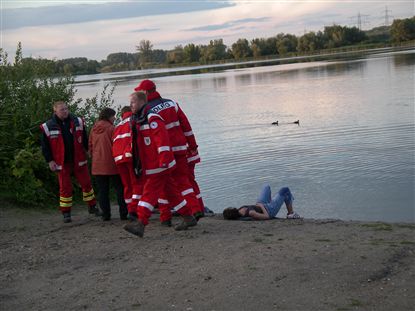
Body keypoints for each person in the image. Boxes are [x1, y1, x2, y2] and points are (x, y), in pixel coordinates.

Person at [123, 92, 197, 237]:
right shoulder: (138, 119)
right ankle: (188, 217)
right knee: (171, 193)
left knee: (149, 192)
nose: (130, 105)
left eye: (133, 102)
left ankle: (141, 223)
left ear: (142, 102)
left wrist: (164, 160)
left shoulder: (152, 118)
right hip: (150, 165)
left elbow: (162, 140)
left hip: (158, 165)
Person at [134, 79, 204, 222]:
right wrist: (193, 146)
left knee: (163, 185)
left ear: (146, 92)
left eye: (140, 92)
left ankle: (165, 216)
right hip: (180, 150)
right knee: (183, 181)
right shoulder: (172, 104)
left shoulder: (147, 111)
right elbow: (186, 127)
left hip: (162, 153)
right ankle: (195, 209)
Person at [40, 101, 98, 223]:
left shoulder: (78, 121)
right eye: (62, 110)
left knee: (87, 184)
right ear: (55, 111)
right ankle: (66, 213)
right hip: (62, 162)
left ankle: (92, 207)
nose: (65, 111)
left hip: (79, 159)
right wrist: (50, 161)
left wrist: (88, 150)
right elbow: (45, 147)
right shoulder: (48, 126)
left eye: (66, 109)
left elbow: (85, 138)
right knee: (65, 188)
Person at [89, 108, 128, 221]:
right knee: (120, 188)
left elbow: (90, 145)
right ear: (108, 116)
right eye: (113, 116)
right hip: (112, 163)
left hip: (97, 164)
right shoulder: (112, 128)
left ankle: (106, 215)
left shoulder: (93, 128)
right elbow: (117, 144)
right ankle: (123, 213)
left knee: (102, 191)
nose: (115, 118)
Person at [112, 106, 143, 219]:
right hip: (130, 157)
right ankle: (135, 210)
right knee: (137, 184)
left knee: (127, 185)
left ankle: (130, 208)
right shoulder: (134, 120)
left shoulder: (118, 125)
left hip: (118, 158)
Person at [223, 184, 301, 220]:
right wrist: (261, 206)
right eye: (231, 208)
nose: (231, 207)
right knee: (285, 190)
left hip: (261, 204)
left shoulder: (240, 210)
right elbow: (266, 216)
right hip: (269, 210)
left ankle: (273, 202)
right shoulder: (251, 213)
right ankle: (291, 214)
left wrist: (259, 205)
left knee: (266, 186)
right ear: (233, 211)